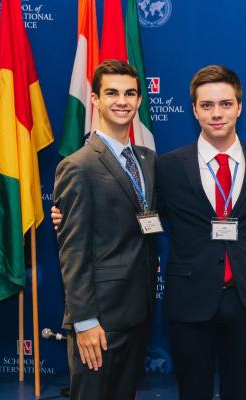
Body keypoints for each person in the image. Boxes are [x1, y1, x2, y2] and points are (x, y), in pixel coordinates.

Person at [155, 65, 246, 400]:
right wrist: (69, 212)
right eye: (207, 105)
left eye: (225, 104)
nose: (217, 113)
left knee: (241, 392)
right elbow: (138, 213)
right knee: (192, 392)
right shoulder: (168, 167)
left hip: (245, 300)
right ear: (194, 110)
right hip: (189, 301)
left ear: (239, 106)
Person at [53, 59, 159, 399]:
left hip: (138, 313)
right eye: (111, 93)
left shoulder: (147, 160)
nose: (122, 101)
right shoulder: (77, 166)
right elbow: (73, 252)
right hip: (98, 321)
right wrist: (84, 322)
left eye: (130, 93)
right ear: (96, 99)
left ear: (140, 101)